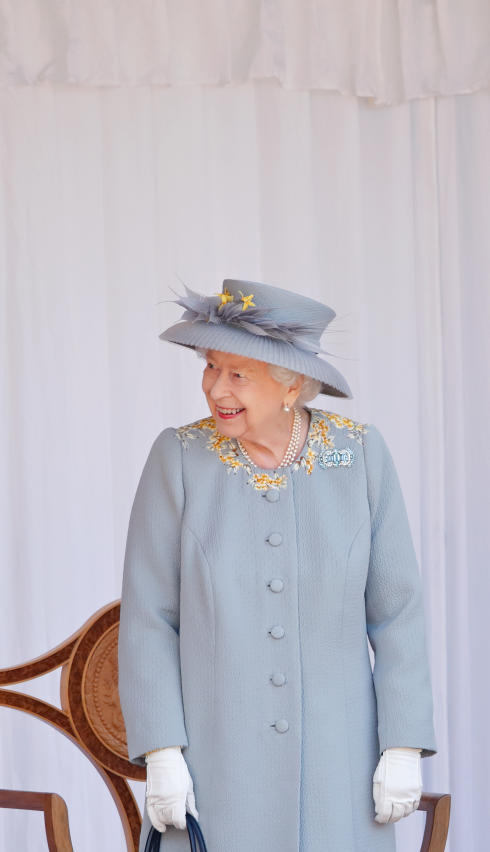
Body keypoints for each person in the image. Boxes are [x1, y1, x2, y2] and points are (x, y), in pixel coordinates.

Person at [117, 280, 436, 851]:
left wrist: (402, 745)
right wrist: (163, 751)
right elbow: (149, 618)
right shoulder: (179, 458)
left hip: (340, 770)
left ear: (291, 385)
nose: (216, 388)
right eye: (211, 367)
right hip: (218, 770)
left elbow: (397, 612)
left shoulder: (360, 455)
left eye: (238, 374)